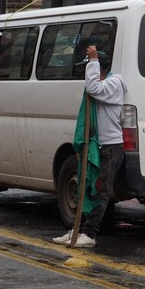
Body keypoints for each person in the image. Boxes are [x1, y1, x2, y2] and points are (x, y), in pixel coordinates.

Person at [53, 45, 127, 248]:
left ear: (99, 68)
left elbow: (93, 88)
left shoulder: (114, 83)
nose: (86, 74)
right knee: (87, 188)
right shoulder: (100, 83)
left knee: (100, 190)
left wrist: (93, 60)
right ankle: (78, 229)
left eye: (90, 69)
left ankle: (89, 234)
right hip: (98, 146)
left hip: (111, 147)